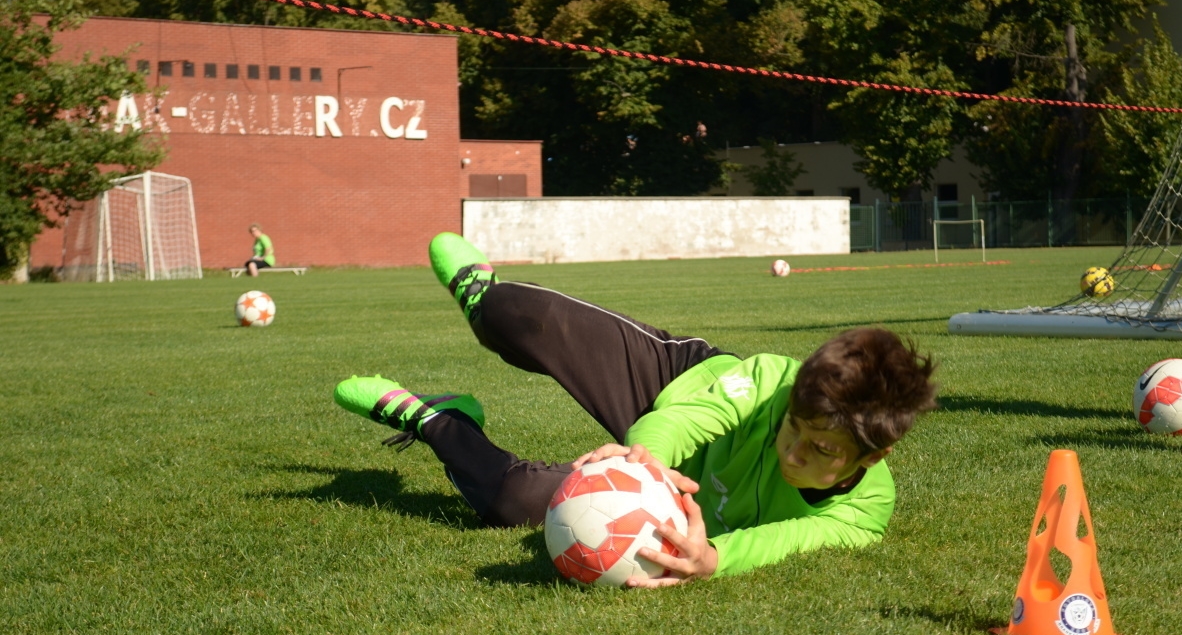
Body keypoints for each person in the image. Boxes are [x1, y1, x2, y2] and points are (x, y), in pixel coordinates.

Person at [333, 233, 938, 586]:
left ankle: (435, 419)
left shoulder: (867, 511)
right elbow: (690, 417)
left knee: (506, 504)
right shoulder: (776, 379)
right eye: (791, 430)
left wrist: (713, 559)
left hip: (674, 506)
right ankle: (480, 295)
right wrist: (644, 454)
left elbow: (789, 542)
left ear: (875, 455)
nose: (793, 451)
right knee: (520, 319)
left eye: (822, 451)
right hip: (674, 386)